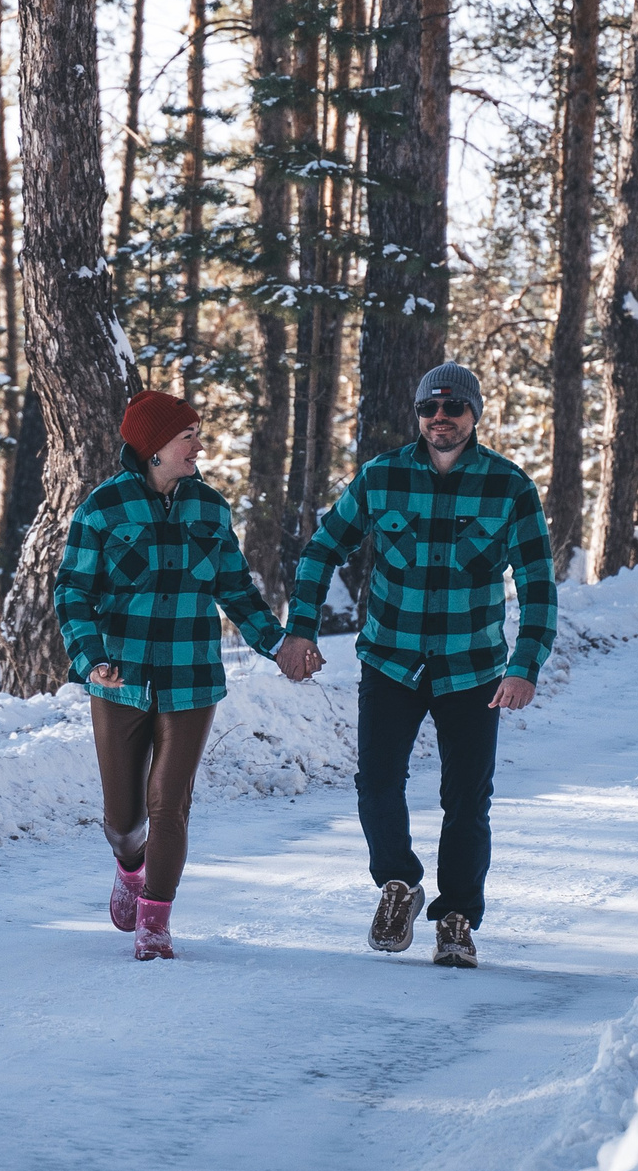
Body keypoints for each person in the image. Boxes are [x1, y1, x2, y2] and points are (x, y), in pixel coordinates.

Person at [274, 362, 555, 970]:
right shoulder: (382, 477)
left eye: (453, 408)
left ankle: (456, 918)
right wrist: (301, 628)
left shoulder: (510, 488)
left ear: (475, 414)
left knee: (466, 799)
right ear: (419, 416)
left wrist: (525, 664)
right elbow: (323, 548)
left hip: (473, 669)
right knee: (376, 785)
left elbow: (538, 585)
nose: (441, 419)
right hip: (391, 660)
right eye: (430, 409)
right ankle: (397, 886)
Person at [56, 389, 288, 959]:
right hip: (120, 678)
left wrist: (277, 644)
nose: (199, 446)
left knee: (169, 803)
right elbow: (73, 591)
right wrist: (91, 658)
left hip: (191, 675)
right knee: (123, 816)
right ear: (154, 446)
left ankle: (156, 920)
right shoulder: (102, 509)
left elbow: (233, 587)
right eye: (189, 436)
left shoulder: (210, 508)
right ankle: (129, 866)